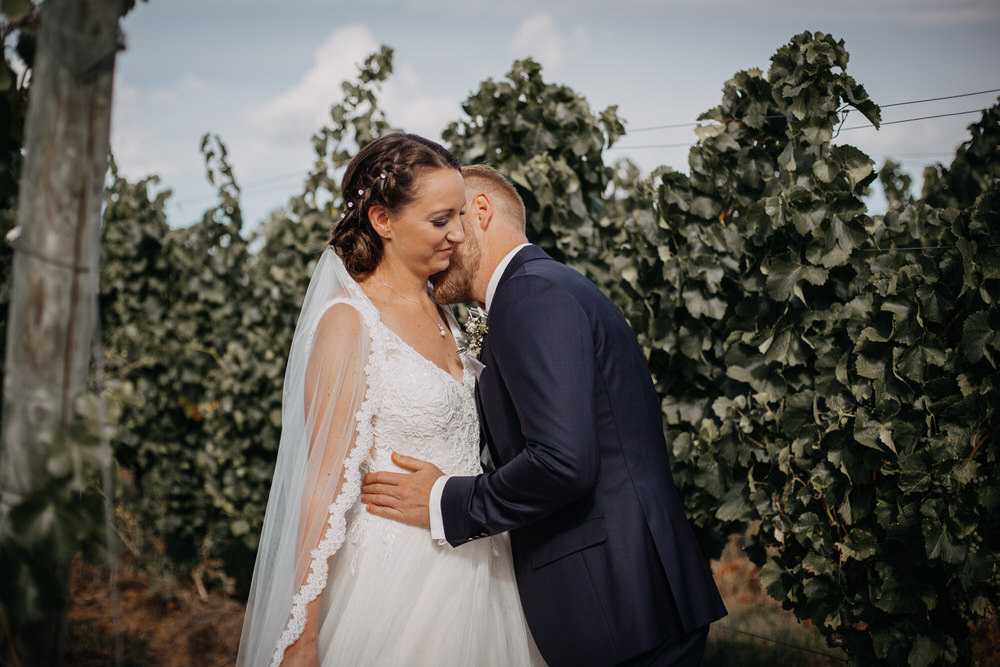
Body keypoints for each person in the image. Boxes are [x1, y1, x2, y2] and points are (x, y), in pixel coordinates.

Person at [361, 164, 727, 666]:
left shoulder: (532, 296)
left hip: (617, 600)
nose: (438, 252)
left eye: (449, 222)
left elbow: (563, 461)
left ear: (481, 212)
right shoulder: (545, 288)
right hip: (629, 596)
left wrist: (446, 499)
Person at [237, 136, 543, 666]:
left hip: (481, 563)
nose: (460, 234)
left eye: (463, 217)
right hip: (395, 579)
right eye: (441, 219)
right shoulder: (348, 322)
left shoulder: (448, 313)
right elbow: (322, 483)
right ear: (382, 219)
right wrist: (302, 632)